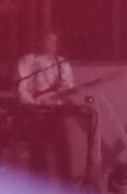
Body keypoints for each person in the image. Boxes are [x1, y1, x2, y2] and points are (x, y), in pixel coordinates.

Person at [14, 31, 90, 185]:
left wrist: (71, 92)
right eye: (48, 41)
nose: (51, 45)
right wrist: (33, 103)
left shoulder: (62, 63)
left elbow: (68, 87)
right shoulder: (29, 60)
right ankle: (39, 188)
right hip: (35, 113)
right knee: (39, 153)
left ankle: (66, 188)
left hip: (57, 112)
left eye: (54, 42)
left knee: (63, 150)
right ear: (40, 42)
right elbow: (20, 88)